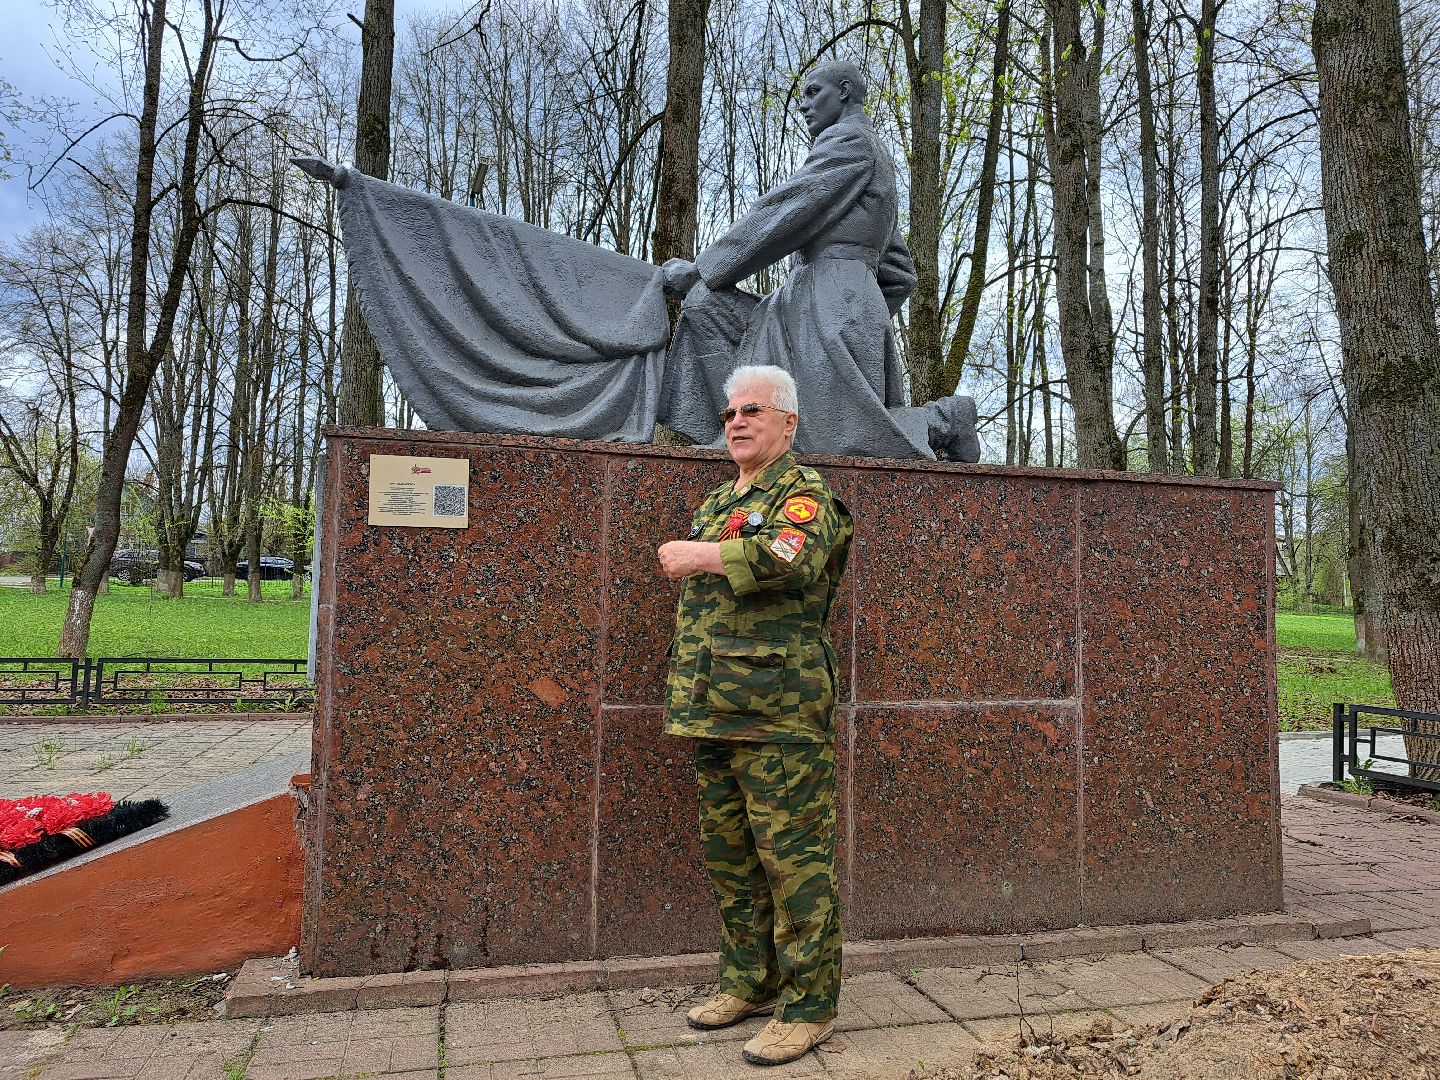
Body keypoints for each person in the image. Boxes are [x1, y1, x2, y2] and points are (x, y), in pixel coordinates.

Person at [656, 364, 853, 1066]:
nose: (735, 422)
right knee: (733, 860)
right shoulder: (721, 498)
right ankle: (750, 981)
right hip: (711, 707)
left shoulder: (805, 494)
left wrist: (702, 555)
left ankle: (809, 1006)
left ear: (788, 423)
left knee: (795, 864)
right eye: (729, 413)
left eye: (752, 410)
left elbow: (790, 560)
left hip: (779, 712)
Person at [662, 60, 979, 462]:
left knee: (838, 435)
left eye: (814, 92)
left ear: (844, 91)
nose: (804, 105)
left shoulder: (850, 141)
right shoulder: (872, 158)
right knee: (705, 306)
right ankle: (738, 429)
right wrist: (866, 312)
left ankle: (946, 419)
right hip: (830, 304)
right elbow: (900, 272)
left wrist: (704, 268)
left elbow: (788, 209)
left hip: (827, 306)